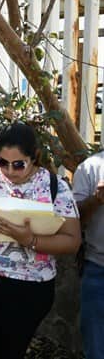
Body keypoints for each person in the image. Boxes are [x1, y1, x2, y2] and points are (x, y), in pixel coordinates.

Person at [0, 122, 81, 359]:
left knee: (8, 351)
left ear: (35, 157)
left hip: (27, 288)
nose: (9, 170)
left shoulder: (54, 188)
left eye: (18, 164)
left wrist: (30, 239)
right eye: (2, 162)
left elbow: (72, 241)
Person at [72, 151, 104, 359]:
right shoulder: (91, 167)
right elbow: (73, 218)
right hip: (98, 268)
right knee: (96, 347)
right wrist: (97, 199)